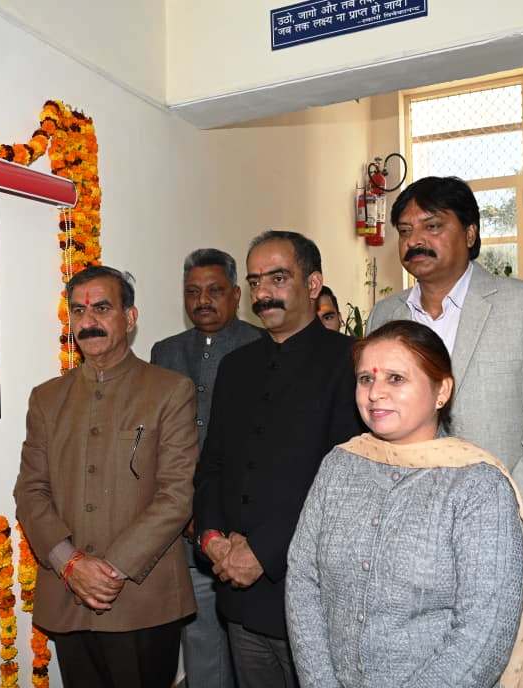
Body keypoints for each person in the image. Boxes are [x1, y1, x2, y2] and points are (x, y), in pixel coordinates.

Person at [287, 320, 523, 687]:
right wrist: (320, 682)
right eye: (365, 379)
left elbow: (484, 633)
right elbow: (303, 580)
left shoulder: (477, 485)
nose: (375, 393)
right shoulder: (339, 465)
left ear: (442, 391)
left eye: (396, 379)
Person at [365, 176, 523, 607]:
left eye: (432, 226)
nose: (415, 240)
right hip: (408, 549)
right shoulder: (385, 316)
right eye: (405, 231)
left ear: (470, 233)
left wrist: (495, 525)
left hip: (503, 543)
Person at [14, 266, 199, 688]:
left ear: (129, 318)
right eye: (78, 311)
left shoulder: (170, 391)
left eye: (102, 308)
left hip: (142, 598)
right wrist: (70, 563)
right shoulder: (47, 399)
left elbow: (176, 495)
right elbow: (30, 489)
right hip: (67, 594)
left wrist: (110, 571)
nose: (88, 321)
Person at [194, 231, 364, 688]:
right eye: (255, 282)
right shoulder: (236, 366)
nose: (263, 293)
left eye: (278, 278)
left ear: (313, 284)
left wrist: (263, 552)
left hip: (309, 594)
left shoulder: (351, 362)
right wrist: (211, 537)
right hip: (238, 592)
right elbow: (212, 465)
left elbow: (343, 483)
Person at [151, 248, 261, 688]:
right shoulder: (166, 352)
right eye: (192, 292)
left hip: (244, 525)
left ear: (236, 295)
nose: (203, 301)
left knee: (252, 644)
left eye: (214, 291)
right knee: (198, 634)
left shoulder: (261, 346)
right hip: (182, 521)